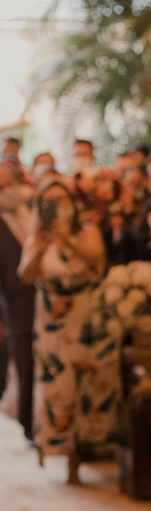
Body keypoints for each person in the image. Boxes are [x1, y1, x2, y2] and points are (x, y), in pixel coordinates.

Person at [19, 177, 119, 483]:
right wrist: (43, 246)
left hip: (91, 322)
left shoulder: (86, 229)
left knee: (93, 387)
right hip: (53, 327)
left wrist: (69, 239)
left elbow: (97, 258)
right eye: (50, 202)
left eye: (63, 199)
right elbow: (25, 275)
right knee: (60, 391)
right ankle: (69, 461)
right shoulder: (36, 238)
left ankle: (96, 451)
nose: (58, 207)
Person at [0, 168, 37, 441]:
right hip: (17, 304)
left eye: (9, 184)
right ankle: (28, 424)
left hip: (50, 300)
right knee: (25, 364)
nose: (8, 192)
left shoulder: (33, 213)